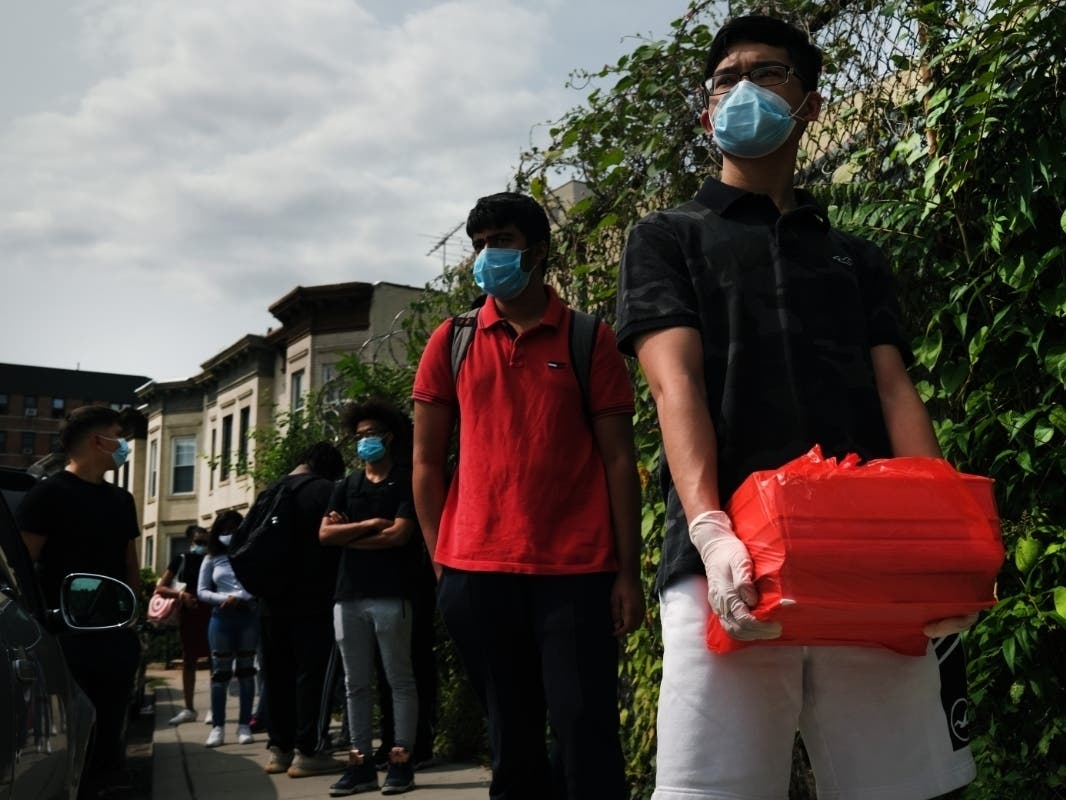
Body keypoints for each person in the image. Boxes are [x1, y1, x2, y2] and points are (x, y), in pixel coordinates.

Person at [615, 15, 978, 799]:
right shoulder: (668, 236)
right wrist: (710, 529)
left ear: (810, 104)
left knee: (900, 787)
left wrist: (944, 544)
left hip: (865, 557)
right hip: (727, 565)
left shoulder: (852, 254)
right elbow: (673, 383)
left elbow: (893, 390)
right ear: (706, 109)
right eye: (724, 78)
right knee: (715, 790)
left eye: (767, 72)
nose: (741, 89)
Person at [412, 191, 644, 800]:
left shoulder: (590, 340)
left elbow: (621, 460)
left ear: (537, 252)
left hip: (576, 571)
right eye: (480, 245)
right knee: (511, 742)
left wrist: (629, 573)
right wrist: (442, 558)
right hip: (476, 574)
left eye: (502, 243)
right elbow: (426, 461)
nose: (488, 256)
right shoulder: (452, 340)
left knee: (584, 731)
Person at [16, 405, 143, 798]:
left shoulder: (121, 500)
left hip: (114, 634)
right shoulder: (47, 495)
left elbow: (130, 567)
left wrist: (132, 618)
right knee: (73, 740)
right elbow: (22, 570)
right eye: (118, 435)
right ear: (97, 441)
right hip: (64, 635)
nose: (123, 445)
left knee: (109, 736)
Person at [321, 399, 422, 796]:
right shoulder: (346, 486)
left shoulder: (404, 479)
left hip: (392, 595)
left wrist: (351, 538)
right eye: (359, 436)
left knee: (399, 680)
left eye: (372, 435)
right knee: (355, 684)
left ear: (389, 437)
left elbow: (400, 534)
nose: (365, 442)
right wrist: (369, 526)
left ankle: (401, 762)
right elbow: (324, 535)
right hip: (348, 597)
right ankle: (360, 764)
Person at [256, 442, 348, 778]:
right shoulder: (326, 491)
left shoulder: (270, 494)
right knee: (313, 678)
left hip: (270, 603)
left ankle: (279, 750)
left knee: (277, 677)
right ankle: (310, 751)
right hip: (313, 601)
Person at [197, 509, 258, 748]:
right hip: (221, 617)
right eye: (224, 529)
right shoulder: (212, 557)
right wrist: (222, 598)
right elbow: (201, 590)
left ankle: (244, 724)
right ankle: (218, 727)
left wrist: (240, 596)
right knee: (220, 674)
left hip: (247, 616)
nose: (228, 534)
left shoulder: (250, 554)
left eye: (233, 529)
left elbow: (259, 583)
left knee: (246, 672)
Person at [157, 524, 212, 725]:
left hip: (211, 611)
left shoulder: (214, 558)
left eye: (206, 542)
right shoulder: (182, 559)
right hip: (190, 614)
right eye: (199, 542)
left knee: (216, 659)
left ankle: (215, 708)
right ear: (191, 542)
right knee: (189, 660)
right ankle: (189, 708)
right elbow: (161, 587)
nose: (203, 546)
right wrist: (180, 594)